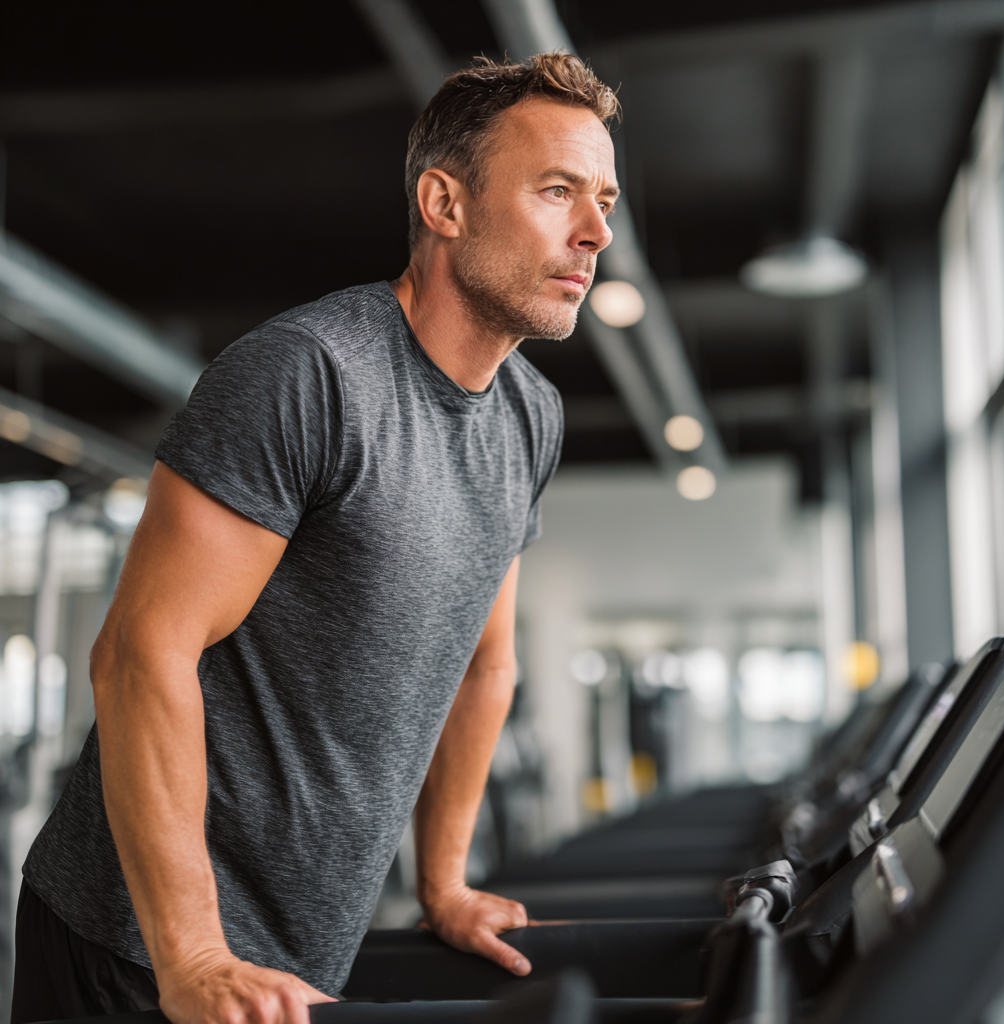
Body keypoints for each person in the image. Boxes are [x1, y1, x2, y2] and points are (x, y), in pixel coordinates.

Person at [12, 52, 619, 1024]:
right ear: (444, 203)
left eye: (604, 200)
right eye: (556, 192)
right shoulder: (310, 375)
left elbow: (481, 665)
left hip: (303, 946)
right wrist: (193, 953)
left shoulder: (529, 418)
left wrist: (446, 881)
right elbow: (139, 653)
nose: (594, 233)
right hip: (134, 943)